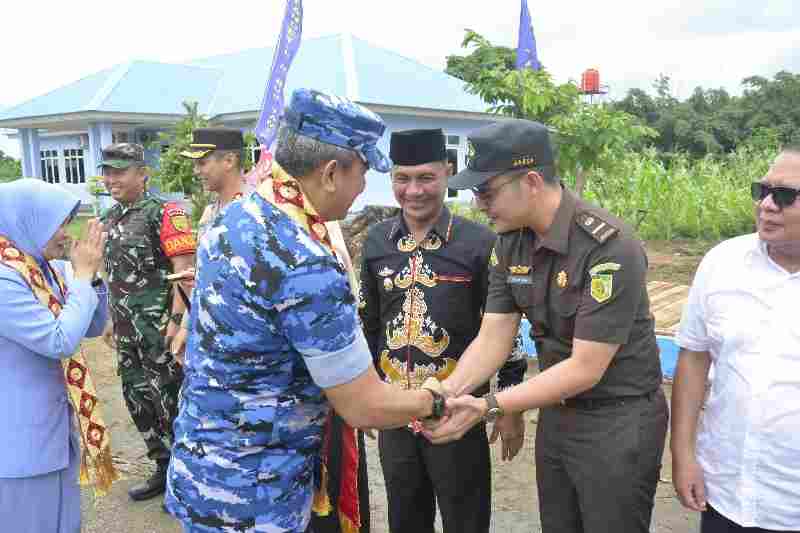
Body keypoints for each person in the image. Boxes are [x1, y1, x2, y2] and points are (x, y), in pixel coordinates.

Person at [165, 89, 448, 533]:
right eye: (363, 173)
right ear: (332, 172)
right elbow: (364, 405)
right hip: (256, 495)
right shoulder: (303, 260)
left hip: (204, 471)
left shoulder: (238, 216)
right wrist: (434, 400)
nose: (362, 191)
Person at [424, 119, 669, 533]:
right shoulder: (510, 243)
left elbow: (585, 368)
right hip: (557, 415)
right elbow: (493, 338)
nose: (480, 203)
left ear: (532, 181)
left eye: (487, 191)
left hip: (618, 420)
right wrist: (446, 393)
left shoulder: (609, 247)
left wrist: (492, 405)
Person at [358, 128, 527, 533]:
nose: (413, 190)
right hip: (395, 410)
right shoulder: (378, 241)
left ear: (448, 173)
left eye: (425, 178)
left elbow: (505, 329)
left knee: (465, 517)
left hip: (458, 412)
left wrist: (509, 404)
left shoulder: (481, 242)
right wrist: (364, 395)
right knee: (404, 516)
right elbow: (367, 323)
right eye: (402, 178)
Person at [671, 148, 800, 532]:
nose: (766, 205)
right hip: (727, 494)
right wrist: (683, 455)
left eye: (785, 195)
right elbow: (694, 358)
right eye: (762, 190)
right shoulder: (723, 262)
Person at [0, 179, 113, 532]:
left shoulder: (43, 268)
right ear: (27, 220)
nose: (66, 234)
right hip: (20, 444)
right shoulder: (6, 279)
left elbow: (92, 326)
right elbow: (58, 340)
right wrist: (80, 276)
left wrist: (90, 278)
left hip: (54, 431)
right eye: (59, 223)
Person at [99, 143, 197, 501]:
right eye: (108, 171)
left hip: (159, 331)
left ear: (143, 174)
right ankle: (163, 467)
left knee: (170, 400)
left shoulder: (165, 212)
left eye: (120, 171)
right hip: (127, 332)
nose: (112, 179)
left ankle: (186, 481)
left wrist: (175, 322)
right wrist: (111, 318)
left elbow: (185, 271)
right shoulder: (111, 217)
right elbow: (114, 274)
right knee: (138, 401)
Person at [169, 128, 253, 358]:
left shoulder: (259, 211)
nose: (197, 171)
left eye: (203, 163)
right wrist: (186, 326)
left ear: (229, 160)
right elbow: (205, 278)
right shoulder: (210, 214)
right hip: (210, 333)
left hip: (247, 338)